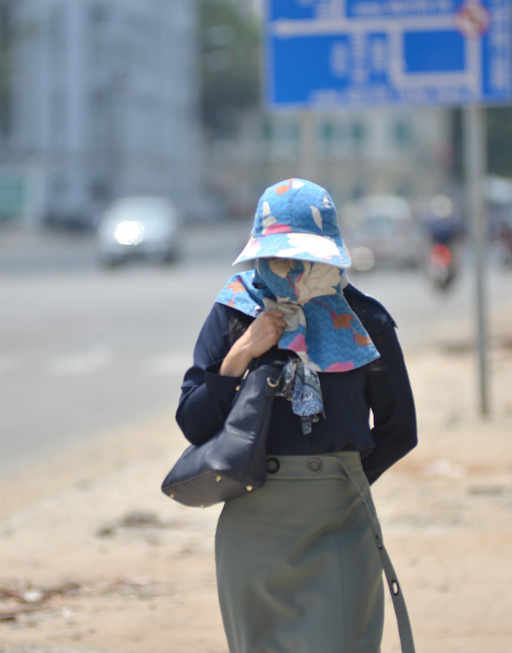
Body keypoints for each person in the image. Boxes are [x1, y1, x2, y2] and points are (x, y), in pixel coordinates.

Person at [176, 179, 417, 652]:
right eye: (280, 258)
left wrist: (341, 477)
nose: (293, 270)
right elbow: (195, 422)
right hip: (252, 526)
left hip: (340, 523)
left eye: (306, 258)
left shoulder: (366, 321)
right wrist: (242, 353)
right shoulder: (234, 314)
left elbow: (399, 430)